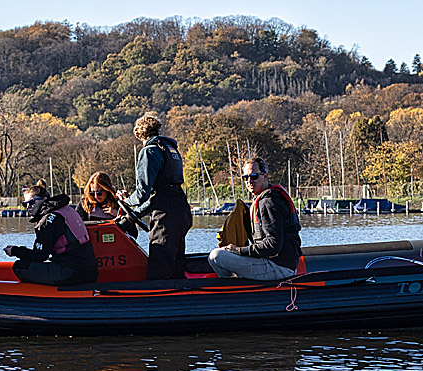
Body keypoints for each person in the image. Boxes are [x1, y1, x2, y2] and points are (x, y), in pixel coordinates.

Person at [116, 113, 192, 279]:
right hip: (181, 209)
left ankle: (156, 299)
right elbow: (158, 196)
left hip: (166, 215)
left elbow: (143, 193)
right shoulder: (170, 149)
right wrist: (134, 215)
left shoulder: (149, 151)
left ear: (138, 133)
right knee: (176, 262)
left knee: (160, 263)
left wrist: (125, 201)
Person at [208, 157, 302, 281]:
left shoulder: (269, 202)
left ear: (265, 176)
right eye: (246, 178)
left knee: (216, 256)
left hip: (279, 267)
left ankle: (237, 291)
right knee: (221, 253)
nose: (249, 181)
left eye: (254, 176)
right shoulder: (264, 199)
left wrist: (239, 250)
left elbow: (273, 245)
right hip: (273, 262)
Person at [4, 181, 98, 286]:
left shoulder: (48, 221)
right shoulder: (67, 209)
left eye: (32, 202)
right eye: (25, 204)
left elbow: (39, 256)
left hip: (71, 273)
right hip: (90, 271)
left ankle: (38, 297)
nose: (28, 207)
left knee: (20, 267)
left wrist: (15, 251)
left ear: (44, 200)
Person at [76, 171, 138, 237]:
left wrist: (118, 214)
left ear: (107, 190)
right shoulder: (85, 204)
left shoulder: (118, 204)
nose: (96, 196)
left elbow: (134, 234)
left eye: (99, 193)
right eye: (92, 193)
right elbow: (75, 226)